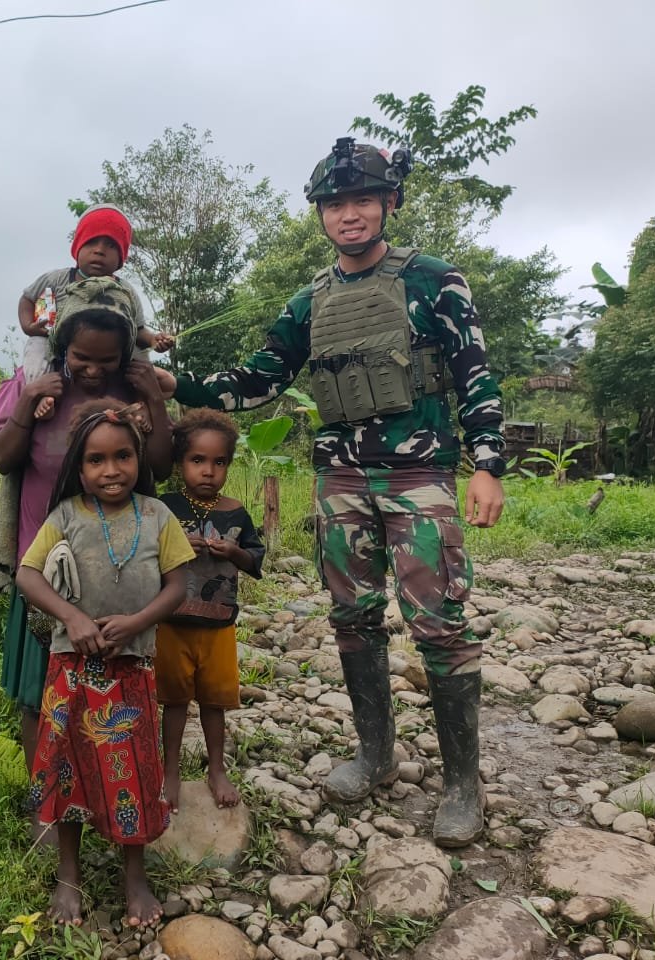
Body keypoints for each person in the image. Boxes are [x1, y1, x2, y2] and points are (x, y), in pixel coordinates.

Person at [172, 138, 506, 848]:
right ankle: (375, 755)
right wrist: (179, 385)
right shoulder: (308, 302)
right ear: (320, 214)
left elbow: (475, 371)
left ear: (389, 203)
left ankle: (461, 786)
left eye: (362, 200)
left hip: (419, 473)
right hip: (341, 476)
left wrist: (487, 462)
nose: (349, 215)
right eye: (335, 203)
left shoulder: (435, 281)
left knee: (440, 624)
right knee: (352, 616)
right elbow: (258, 379)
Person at [0, 279, 172, 787]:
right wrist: (27, 406)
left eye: (107, 360)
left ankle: (103, 790)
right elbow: (4, 460)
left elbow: (162, 469)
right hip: (45, 572)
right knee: (37, 693)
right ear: (61, 347)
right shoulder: (32, 385)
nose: (93, 369)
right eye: (81, 357)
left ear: (125, 353)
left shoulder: (135, 395)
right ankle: (45, 800)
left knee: (113, 691)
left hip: (120, 574)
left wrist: (153, 399)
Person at [16, 400, 194, 927]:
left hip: (131, 669)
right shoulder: (67, 514)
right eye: (96, 460)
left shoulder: (158, 516)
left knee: (134, 771)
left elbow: (178, 585)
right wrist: (72, 617)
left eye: (122, 456)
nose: (110, 470)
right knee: (66, 766)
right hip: (71, 669)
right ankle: (68, 873)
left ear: (139, 457)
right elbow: (28, 575)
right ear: (79, 465)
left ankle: (133, 873)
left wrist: (137, 620)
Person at [156, 409, 264, 813]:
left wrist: (233, 551)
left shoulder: (235, 512)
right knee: (175, 701)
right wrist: (179, 544)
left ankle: (216, 769)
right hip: (172, 621)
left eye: (219, 462)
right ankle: (170, 772)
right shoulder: (164, 507)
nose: (208, 471)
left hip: (218, 624)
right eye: (197, 460)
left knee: (214, 701)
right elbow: (148, 554)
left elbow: (255, 560)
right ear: (181, 462)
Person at [20, 203, 177, 419]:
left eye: (111, 246)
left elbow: (138, 331)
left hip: (112, 350)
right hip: (57, 340)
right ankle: (42, 398)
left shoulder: (126, 290)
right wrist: (29, 327)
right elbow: (28, 299)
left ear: (121, 258)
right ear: (77, 248)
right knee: (37, 347)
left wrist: (153, 340)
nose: (100, 250)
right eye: (92, 242)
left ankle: (143, 403)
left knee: (140, 357)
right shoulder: (55, 280)